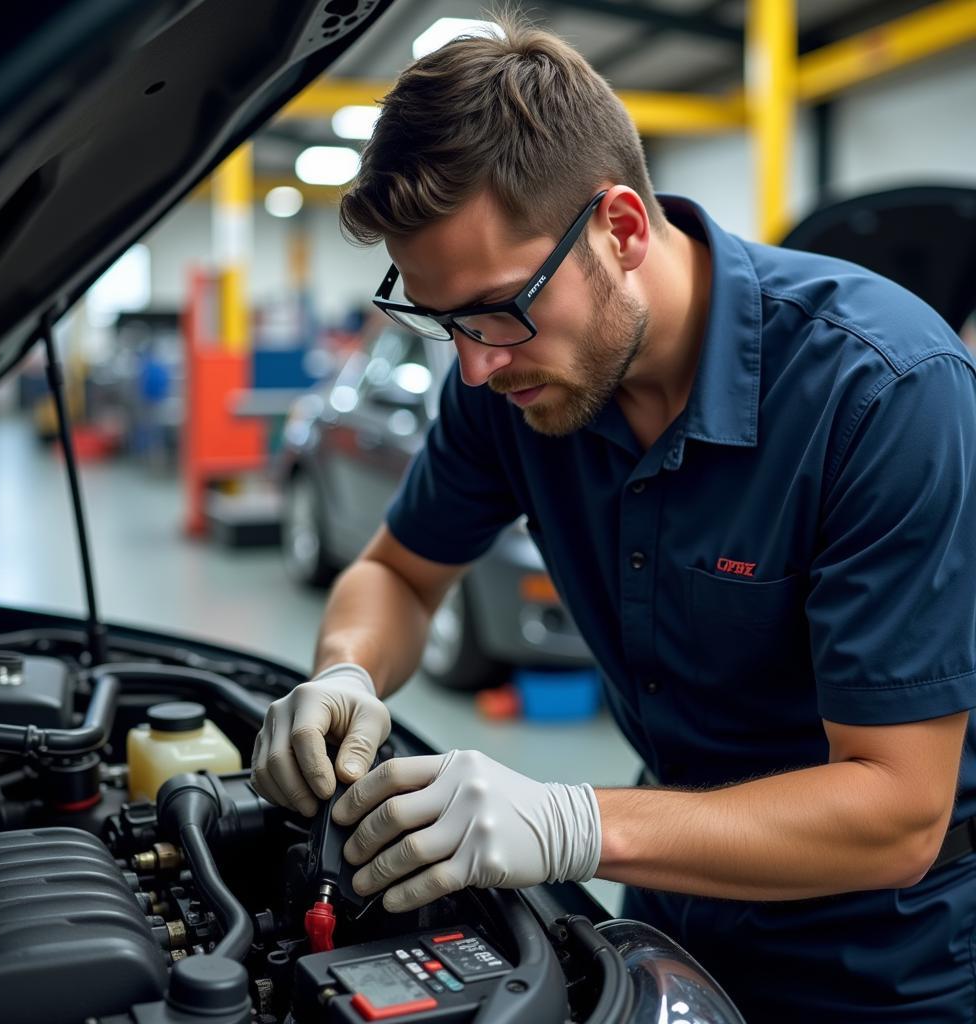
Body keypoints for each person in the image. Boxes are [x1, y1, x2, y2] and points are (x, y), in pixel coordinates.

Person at [251, 17, 976, 1021]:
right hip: (664, 920)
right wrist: (344, 671)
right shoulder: (503, 379)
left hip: (875, 960)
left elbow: (896, 810)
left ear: (622, 230)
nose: (472, 364)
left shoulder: (882, 391)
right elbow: (400, 576)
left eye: (499, 309)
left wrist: (567, 823)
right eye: (441, 320)